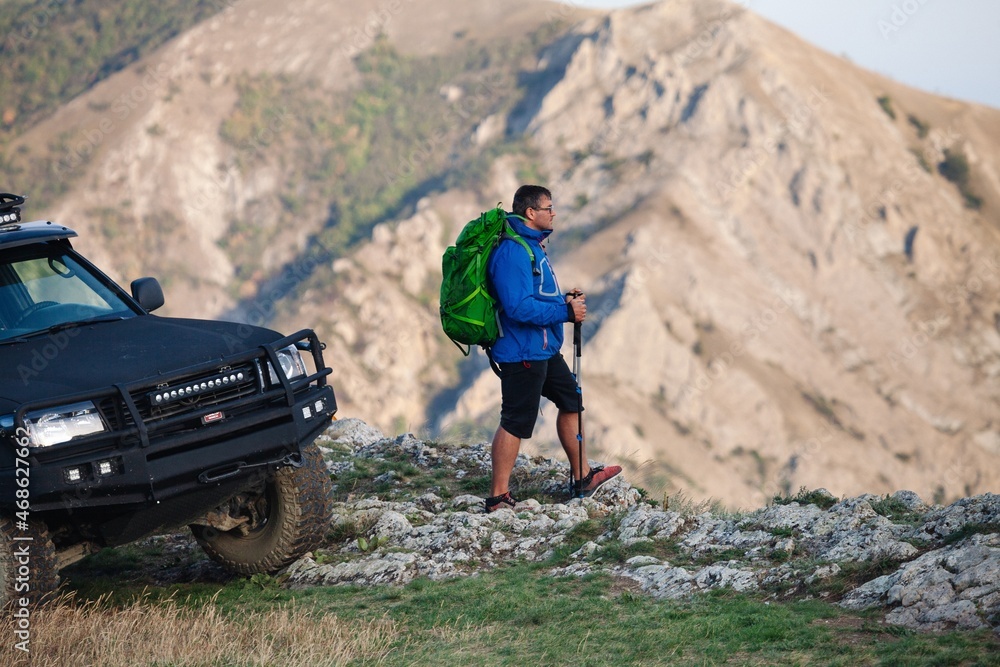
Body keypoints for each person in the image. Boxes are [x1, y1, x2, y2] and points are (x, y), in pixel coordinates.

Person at [484, 184, 621, 512]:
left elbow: (537, 298)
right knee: (516, 419)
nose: (553, 212)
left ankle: (582, 476)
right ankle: (497, 497)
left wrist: (564, 301)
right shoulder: (513, 252)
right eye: (548, 207)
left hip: (542, 349)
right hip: (521, 352)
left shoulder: (534, 247)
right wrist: (565, 312)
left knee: (571, 398)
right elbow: (517, 307)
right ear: (531, 213)